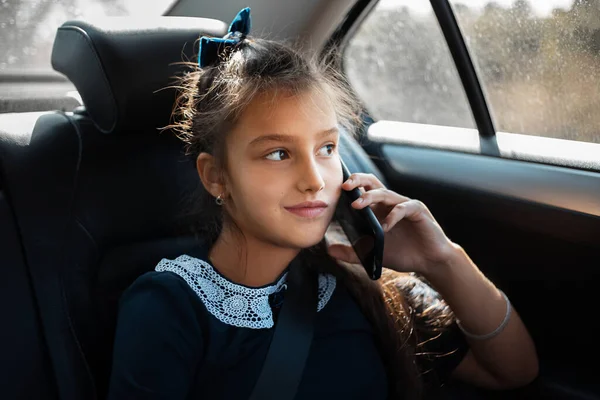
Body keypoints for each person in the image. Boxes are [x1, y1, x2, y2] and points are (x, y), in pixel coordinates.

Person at [107, 7, 538, 400]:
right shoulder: (168, 309)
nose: (315, 180)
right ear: (216, 177)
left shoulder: (364, 285)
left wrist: (442, 261)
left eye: (327, 149)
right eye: (278, 153)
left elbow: (514, 371)